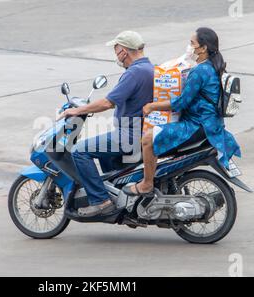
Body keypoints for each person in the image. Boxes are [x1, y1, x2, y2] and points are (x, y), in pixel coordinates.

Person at [123, 27, 242, 196]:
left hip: (197, 126)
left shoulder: (200, 71)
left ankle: (146, 184)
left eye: (192, 43)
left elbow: (181, 103)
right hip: (211, 124)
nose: (189, 47)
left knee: (148, 138)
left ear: (203, 48)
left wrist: (152, 106)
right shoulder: (214, 66)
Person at [59, 31, 154, 217]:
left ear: (124, 51)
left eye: (116, 49)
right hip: (140, 130)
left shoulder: (134, 73)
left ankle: (101, 201)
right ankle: (119, 195)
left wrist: (77, 110)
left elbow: (107, 102)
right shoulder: (149, 68)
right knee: (103, 153)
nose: (115, 53)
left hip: (131, 134)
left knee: (80, 150)